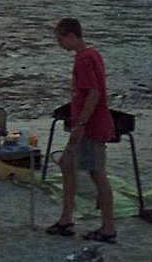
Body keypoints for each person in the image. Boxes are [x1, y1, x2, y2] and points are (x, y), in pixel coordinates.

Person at [46, 17, 117, 243]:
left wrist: (81, 124)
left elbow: (94, 93)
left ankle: (108, 228)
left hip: (91, 126)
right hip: (86, 124)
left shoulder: (84, 60)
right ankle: (66, 218)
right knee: (67, 164)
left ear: (70, 35)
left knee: (97, 173)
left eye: (60, 39)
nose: (59, 45)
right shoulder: (91, 55)